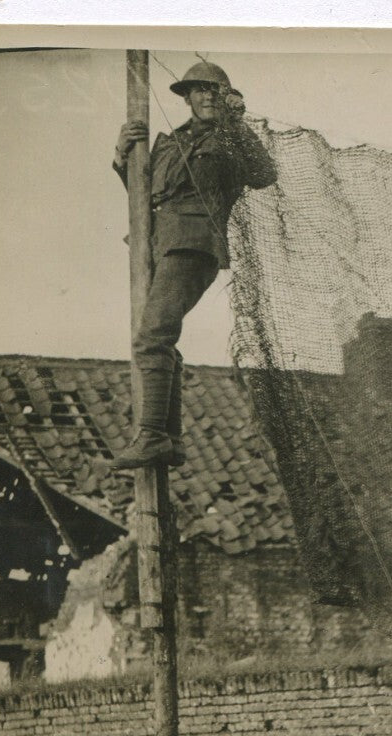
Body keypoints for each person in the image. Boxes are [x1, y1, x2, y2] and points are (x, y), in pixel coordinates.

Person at [111, 60, 277, 470]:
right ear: (187, 97)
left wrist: (237, 122)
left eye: (215, 91)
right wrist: (122, 153)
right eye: (199, 90)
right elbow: (143, 194)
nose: (207, 97)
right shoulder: (170, 141)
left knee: (151, 338)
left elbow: (263, 174)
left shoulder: (231, 140)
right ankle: (169, 439)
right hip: (156, 245)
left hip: (194, 244)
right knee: (159, 338)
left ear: (227, 97)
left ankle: (152, 435)